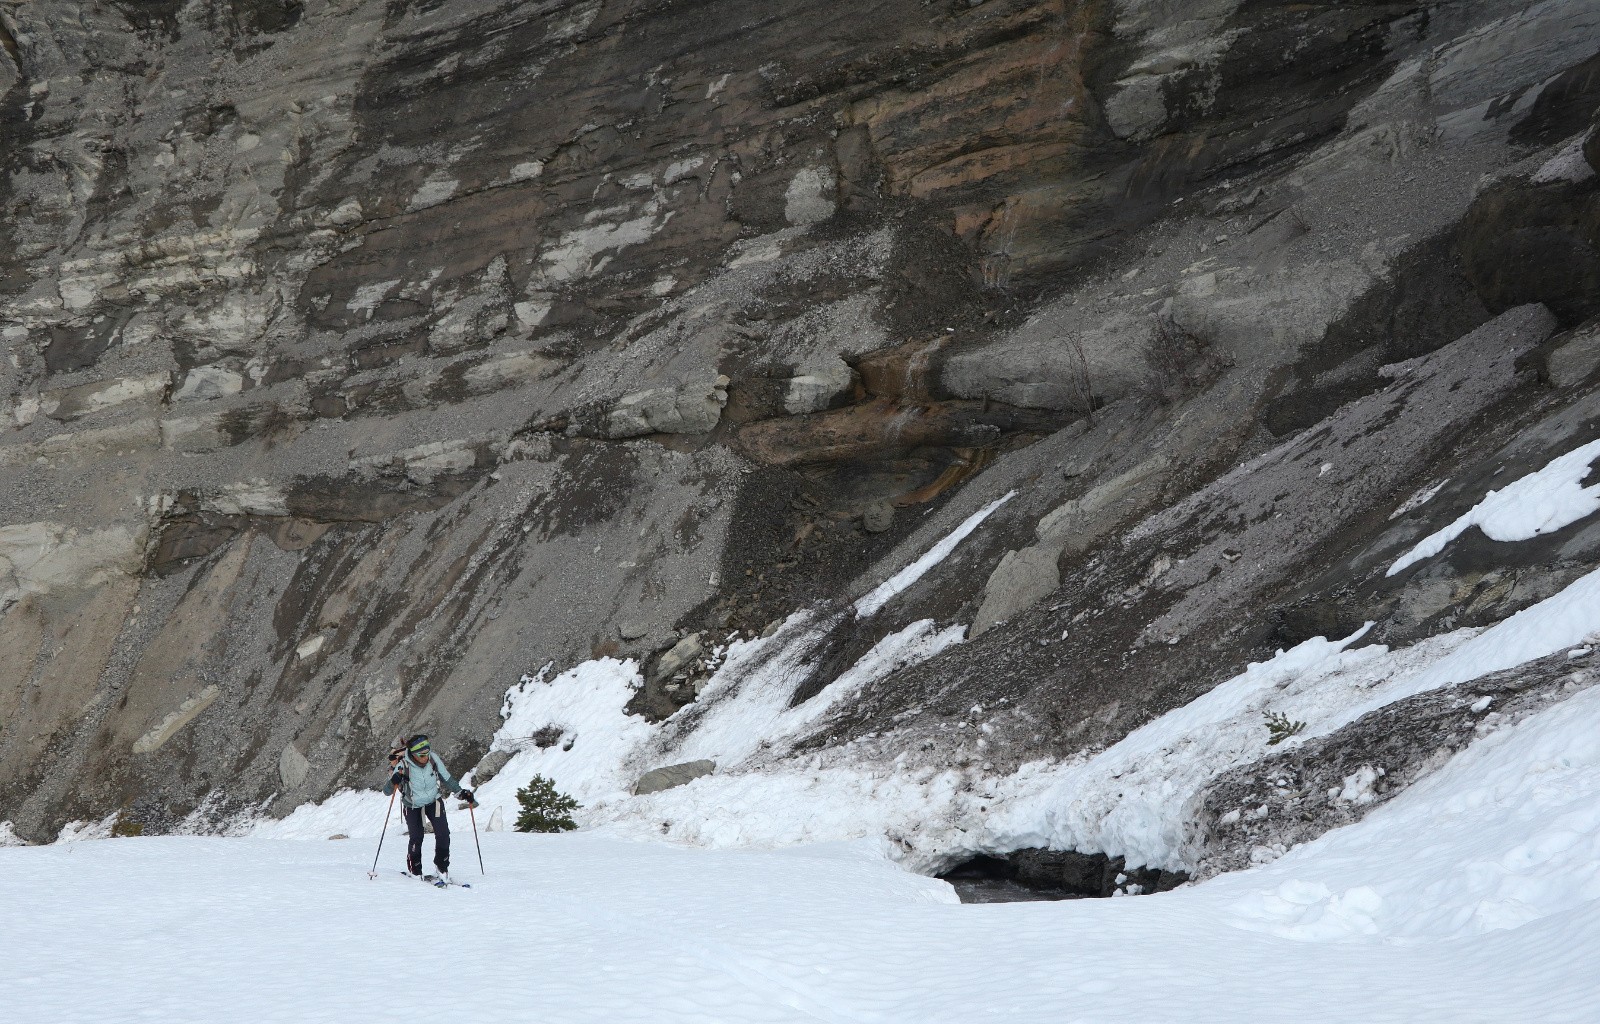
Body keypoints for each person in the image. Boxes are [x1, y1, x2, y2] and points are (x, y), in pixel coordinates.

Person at [385, 734, 476, 879]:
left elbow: (447, 778)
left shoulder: (433, 758)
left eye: (427, 753)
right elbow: (387, 791)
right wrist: (394, 780)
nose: (425, 757)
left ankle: (442, 867)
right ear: (413, 754)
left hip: (434, 801)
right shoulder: (403, 765)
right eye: (421, 754)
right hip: (412, 805)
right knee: (417, 837)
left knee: (443, 834)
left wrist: (461, 792)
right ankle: (415, 871)